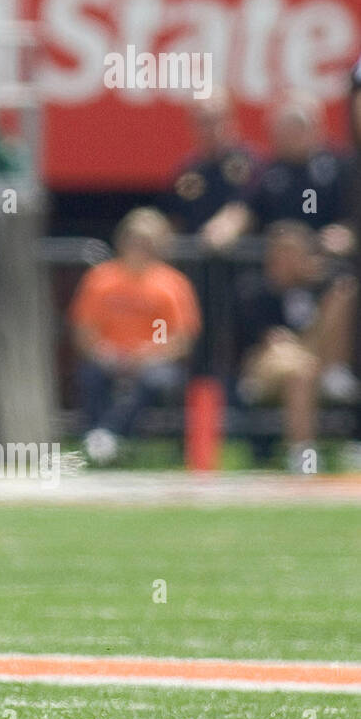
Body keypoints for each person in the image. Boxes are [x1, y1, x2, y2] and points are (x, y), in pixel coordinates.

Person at [69, 207, 202, 465]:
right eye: (135, 239)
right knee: (91, 374)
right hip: (107, 358)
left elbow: (181, 338)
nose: (140, 247)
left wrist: (148, 355)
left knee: (154, 379)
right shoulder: (100, 279)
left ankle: (106, 436)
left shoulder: (172, 285)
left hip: (153, 362)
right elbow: (83, 330)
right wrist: (105, 352)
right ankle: (105, 441)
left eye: (147, 241)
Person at [235, 221, 357, 470]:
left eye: (292, 254)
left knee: (303, 369)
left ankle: (335, 376)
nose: (285, 261)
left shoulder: (319, 288)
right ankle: (303, 456)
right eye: (279, 253)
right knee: (297, 369)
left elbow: (345, 284)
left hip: (312, 364)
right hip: (264, 372)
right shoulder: (255, 290)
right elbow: (272, 343)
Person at [204, 94, 353, 257]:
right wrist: (224, 227)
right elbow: (242, 209)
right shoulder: (265, 172)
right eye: (285, 129)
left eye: (298, 127)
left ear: (316, 128)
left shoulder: (339, 167)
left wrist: (347, 233)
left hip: (325, 264)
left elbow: (351, 214)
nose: (292, 136)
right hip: (277, 267)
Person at [161, 89, 258, 240]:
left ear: (231, 121)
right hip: (195, 259)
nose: (210, 129)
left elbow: (245, 208)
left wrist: (227, 225)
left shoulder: (252, 162)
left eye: (216, 120)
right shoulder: (187, 170)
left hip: (241, 259)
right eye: (202, 122)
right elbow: (175, 219)